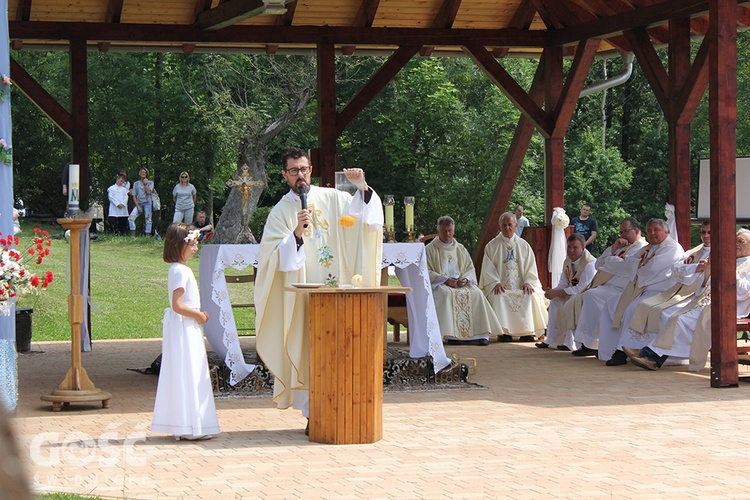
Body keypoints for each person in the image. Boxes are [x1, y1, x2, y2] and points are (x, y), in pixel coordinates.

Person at [254, 147, 383, 433]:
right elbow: (272, 260)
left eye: (304, 169)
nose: (300, 175)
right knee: (311, 353)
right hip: (304, 300)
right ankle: (316, 414)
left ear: (311, 169)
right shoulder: (280, 213)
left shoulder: (332, 198)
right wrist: (296, 235)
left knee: (340, 351)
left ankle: (343, 409)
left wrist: (362, 187)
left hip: (338, 294)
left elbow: (366, 218)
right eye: (293, 171)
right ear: (284, 175)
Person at [626, 228, 750, 372]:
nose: (735, 244)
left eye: (740, 241)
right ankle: (651, 356)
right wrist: (707, 274)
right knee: (675, 317)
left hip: (731, 308)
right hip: (707, 303)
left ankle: (649, 356)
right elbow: (705, 286)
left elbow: (744, 291)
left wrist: (728, 270)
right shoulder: (728, 261)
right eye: (734, 241)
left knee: (681, 321)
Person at [151, 223, 220, 441]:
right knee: (188, 370)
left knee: (191, 371)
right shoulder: (180, 271)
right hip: (184, 326)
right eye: (191, 244)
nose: (195, 248)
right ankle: (189, 425)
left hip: (186, 325)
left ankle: (190, 423)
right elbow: (177, 305)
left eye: (196, 244)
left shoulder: (180, 270)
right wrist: (198, 315)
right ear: (178, 245)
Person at [597, 218, 684, 366]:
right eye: (649, 230)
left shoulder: (672, 248)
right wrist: (640, 264)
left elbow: (652, 269)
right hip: (643, 288)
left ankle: (622, 352)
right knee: (611, 305)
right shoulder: (649, 248)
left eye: (656, 230)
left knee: (633, 308)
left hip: (661, 291)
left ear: (666, 231)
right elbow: (629, 261)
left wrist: (639, 265)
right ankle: (607, 350)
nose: (652, 233)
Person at [570, 217, 647, 357]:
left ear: (636, 231)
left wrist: (613, 262)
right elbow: (599, 264)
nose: (622, 235)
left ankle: (597, 343)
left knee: (592, 295)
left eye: (625, 231)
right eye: (621, 232)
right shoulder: (622, 247)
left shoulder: (642, 248)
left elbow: (623, 267)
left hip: (624, 289)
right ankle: (589, 343)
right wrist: (614, 249)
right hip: (608, 286)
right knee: (589, 295)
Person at [425, 216, 502, 346]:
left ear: (454, 230)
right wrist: (445, 279)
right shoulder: (430, 249)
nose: (447, 234)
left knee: (477, 294)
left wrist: (465, 279)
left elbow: (469, 268)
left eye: (450, 230)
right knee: (446, 295)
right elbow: (426, 271)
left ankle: (481, 334)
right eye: (444, 231)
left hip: (461, 284)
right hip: (441, 284)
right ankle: (451, 334)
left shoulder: (460, 248)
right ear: (438, 230)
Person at [627, 220, 711, 337]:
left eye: (709, 233)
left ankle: (657, 350)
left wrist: (697, 269)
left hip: (698, 295)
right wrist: (696, 268)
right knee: (641, 306)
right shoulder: (694, 251)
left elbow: (652, 269)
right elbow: (675, 269)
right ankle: (637, 346)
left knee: (662, 313)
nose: (706, 236)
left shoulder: (720, 253)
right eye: (703, 232)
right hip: (679, 291)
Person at [479, 212, 548, 342]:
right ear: (500, 226)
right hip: (502, 287)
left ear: (516, 225)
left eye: (510, 225)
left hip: (521, 286)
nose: (507, 228)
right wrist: (495, 282)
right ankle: (504, 333)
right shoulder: (492, 246)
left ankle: (527, 332)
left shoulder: (524, 245)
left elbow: (531, 268)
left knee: (530, 296)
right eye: (504, 225)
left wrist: (528, 282)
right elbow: (488, 270)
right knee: (499, 297)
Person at [536, 233, 597, 350]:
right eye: (569, 247)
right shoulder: (567, 262)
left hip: (586, 295)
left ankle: (569, 342)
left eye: (575, 247)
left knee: (570, 304)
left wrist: (558, 292)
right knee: (554, 302)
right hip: (571, 293)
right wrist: (553, 292)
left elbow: (581, 288)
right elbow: (563, 283)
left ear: (583, 248)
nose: (571, 251)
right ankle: (551, 339)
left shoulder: (590, 264)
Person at [128, 168, 154, 237]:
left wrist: (146, 184)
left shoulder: (150, 183)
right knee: (131, 218)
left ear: (147, 174)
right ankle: (133, 236)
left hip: (148, 203)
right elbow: (134, 196)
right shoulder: (136, 184)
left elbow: (148, 192)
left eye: (144, 172)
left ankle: (147, 236)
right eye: (142, 172)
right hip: (139, 204)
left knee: (148, 220)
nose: (143, 173)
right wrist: (138, 206)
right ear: (139, 173)